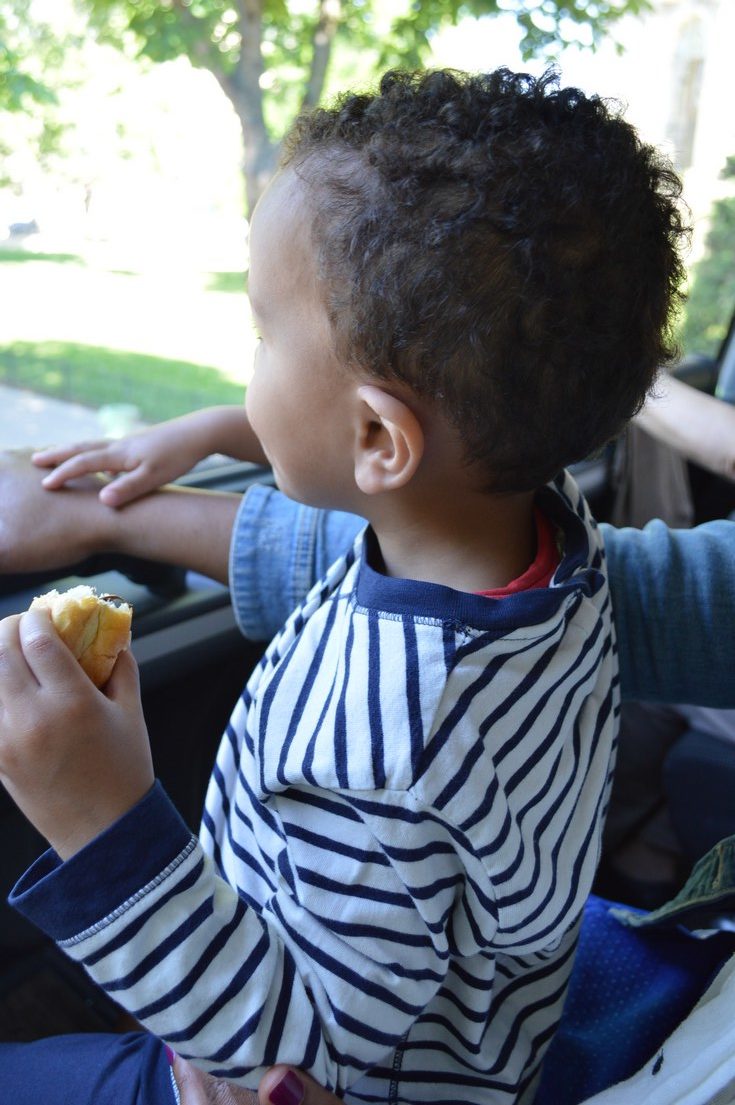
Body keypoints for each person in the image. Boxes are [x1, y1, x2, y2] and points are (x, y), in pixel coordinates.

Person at [0, 66, 690, 1105]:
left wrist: (104, 822)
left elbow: (298, 1051)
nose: (252, 364)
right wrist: (217, 429)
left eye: (265, 334)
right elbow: (410, 434)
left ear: (378, 436)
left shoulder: (395, 742)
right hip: (472, 1037)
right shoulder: (552, 537)